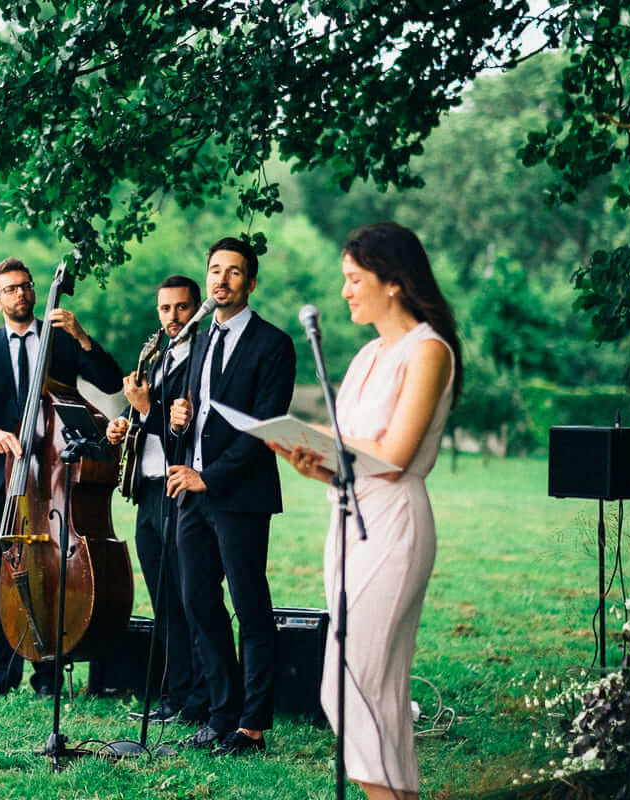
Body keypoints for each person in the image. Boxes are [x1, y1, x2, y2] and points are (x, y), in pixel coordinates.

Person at [271, 222, 462, 800]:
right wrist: (313, 458)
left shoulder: (427, 350)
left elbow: (397, 456)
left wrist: (337, 451)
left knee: (350, 687)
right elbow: (351, 445)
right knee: (373, 690)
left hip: (392, 523)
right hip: (347, 517)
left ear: (393, 282)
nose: (346, 292)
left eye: (355, 280)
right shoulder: (365, 356)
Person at [0, 257, 124, 697]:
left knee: (52, 569)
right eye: (10, 289)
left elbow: (110, 383)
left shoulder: (61, 341)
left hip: (54, 476)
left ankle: (48, 671)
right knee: (0, 572)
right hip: (2, 479)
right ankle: (3, 672)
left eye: (26, 286)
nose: (21, 294)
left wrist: (81, 336)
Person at [167, 237, 296, 756]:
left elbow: (264, 430)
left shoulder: (273, 344)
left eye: (234, 272)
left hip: (239, 495)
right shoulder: (199, 339)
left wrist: (210, 478)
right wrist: (178, 416)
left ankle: (253, 724)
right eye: (216, 270)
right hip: (193, 492)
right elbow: (197, 415)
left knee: (249, 604)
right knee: (198, 601)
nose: (222, 280)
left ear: (251, 282)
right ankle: (222, 714)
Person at [104, 275, 208, 725]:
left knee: (192, 599)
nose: (172, 317)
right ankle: (175, 694)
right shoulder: (160, 357)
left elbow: (186, 430)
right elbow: (148, 420)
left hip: (179, 491)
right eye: (165, 309)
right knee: (164, 601)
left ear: (196, 309)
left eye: (181, 308)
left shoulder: (202, 359)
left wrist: (146, 410)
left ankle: (200, 696)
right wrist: (124, 424)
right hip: (147, 492)